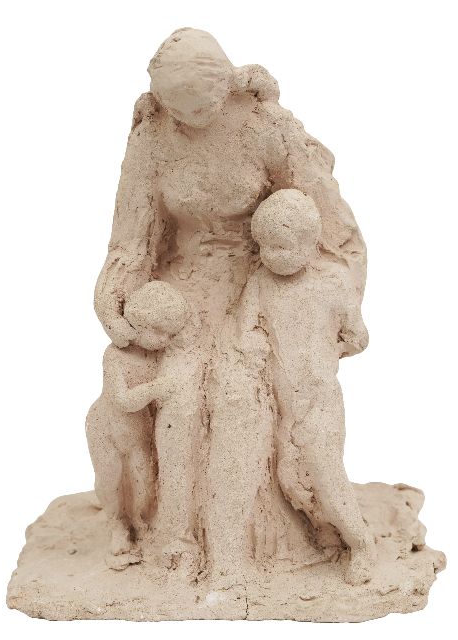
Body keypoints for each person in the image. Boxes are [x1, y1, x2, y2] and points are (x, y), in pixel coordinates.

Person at [93, 27, 367, 579]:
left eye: (200, 105)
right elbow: (131, 242)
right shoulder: (151, 139)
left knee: (238, 393)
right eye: (177, 107)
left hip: (261, 281)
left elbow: (322, 219)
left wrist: (334, 301)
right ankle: (176, 537)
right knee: (181, 393)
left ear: (224, 87)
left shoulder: (265, 125)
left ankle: (239, 547)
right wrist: (113, 302)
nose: (189, 118)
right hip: (181, 291)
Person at [238, 189, 376, 584]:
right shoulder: (260, 282)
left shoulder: (332, 283)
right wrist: (252, 344)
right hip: (283, 406)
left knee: (327, 477)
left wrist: (328, 355)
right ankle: (326, 536)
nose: (271, 256)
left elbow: (359, 338)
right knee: (291, 479)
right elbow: (245, 329)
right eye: (264, 246)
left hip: (319, 402)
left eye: (281, 247)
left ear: (309, 242)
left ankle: (361, 544)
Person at [86, 280, 190, 570]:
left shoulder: (158, 357)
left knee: (142, 482)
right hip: (106, 428)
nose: (164, 340)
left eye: (170, 334)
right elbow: (123, 400)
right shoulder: (115, 356)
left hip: (137, 433)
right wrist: (157, 388)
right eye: (159, 332)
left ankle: (139, 523)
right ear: (138, 322)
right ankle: (116, 524)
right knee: (110, 480)